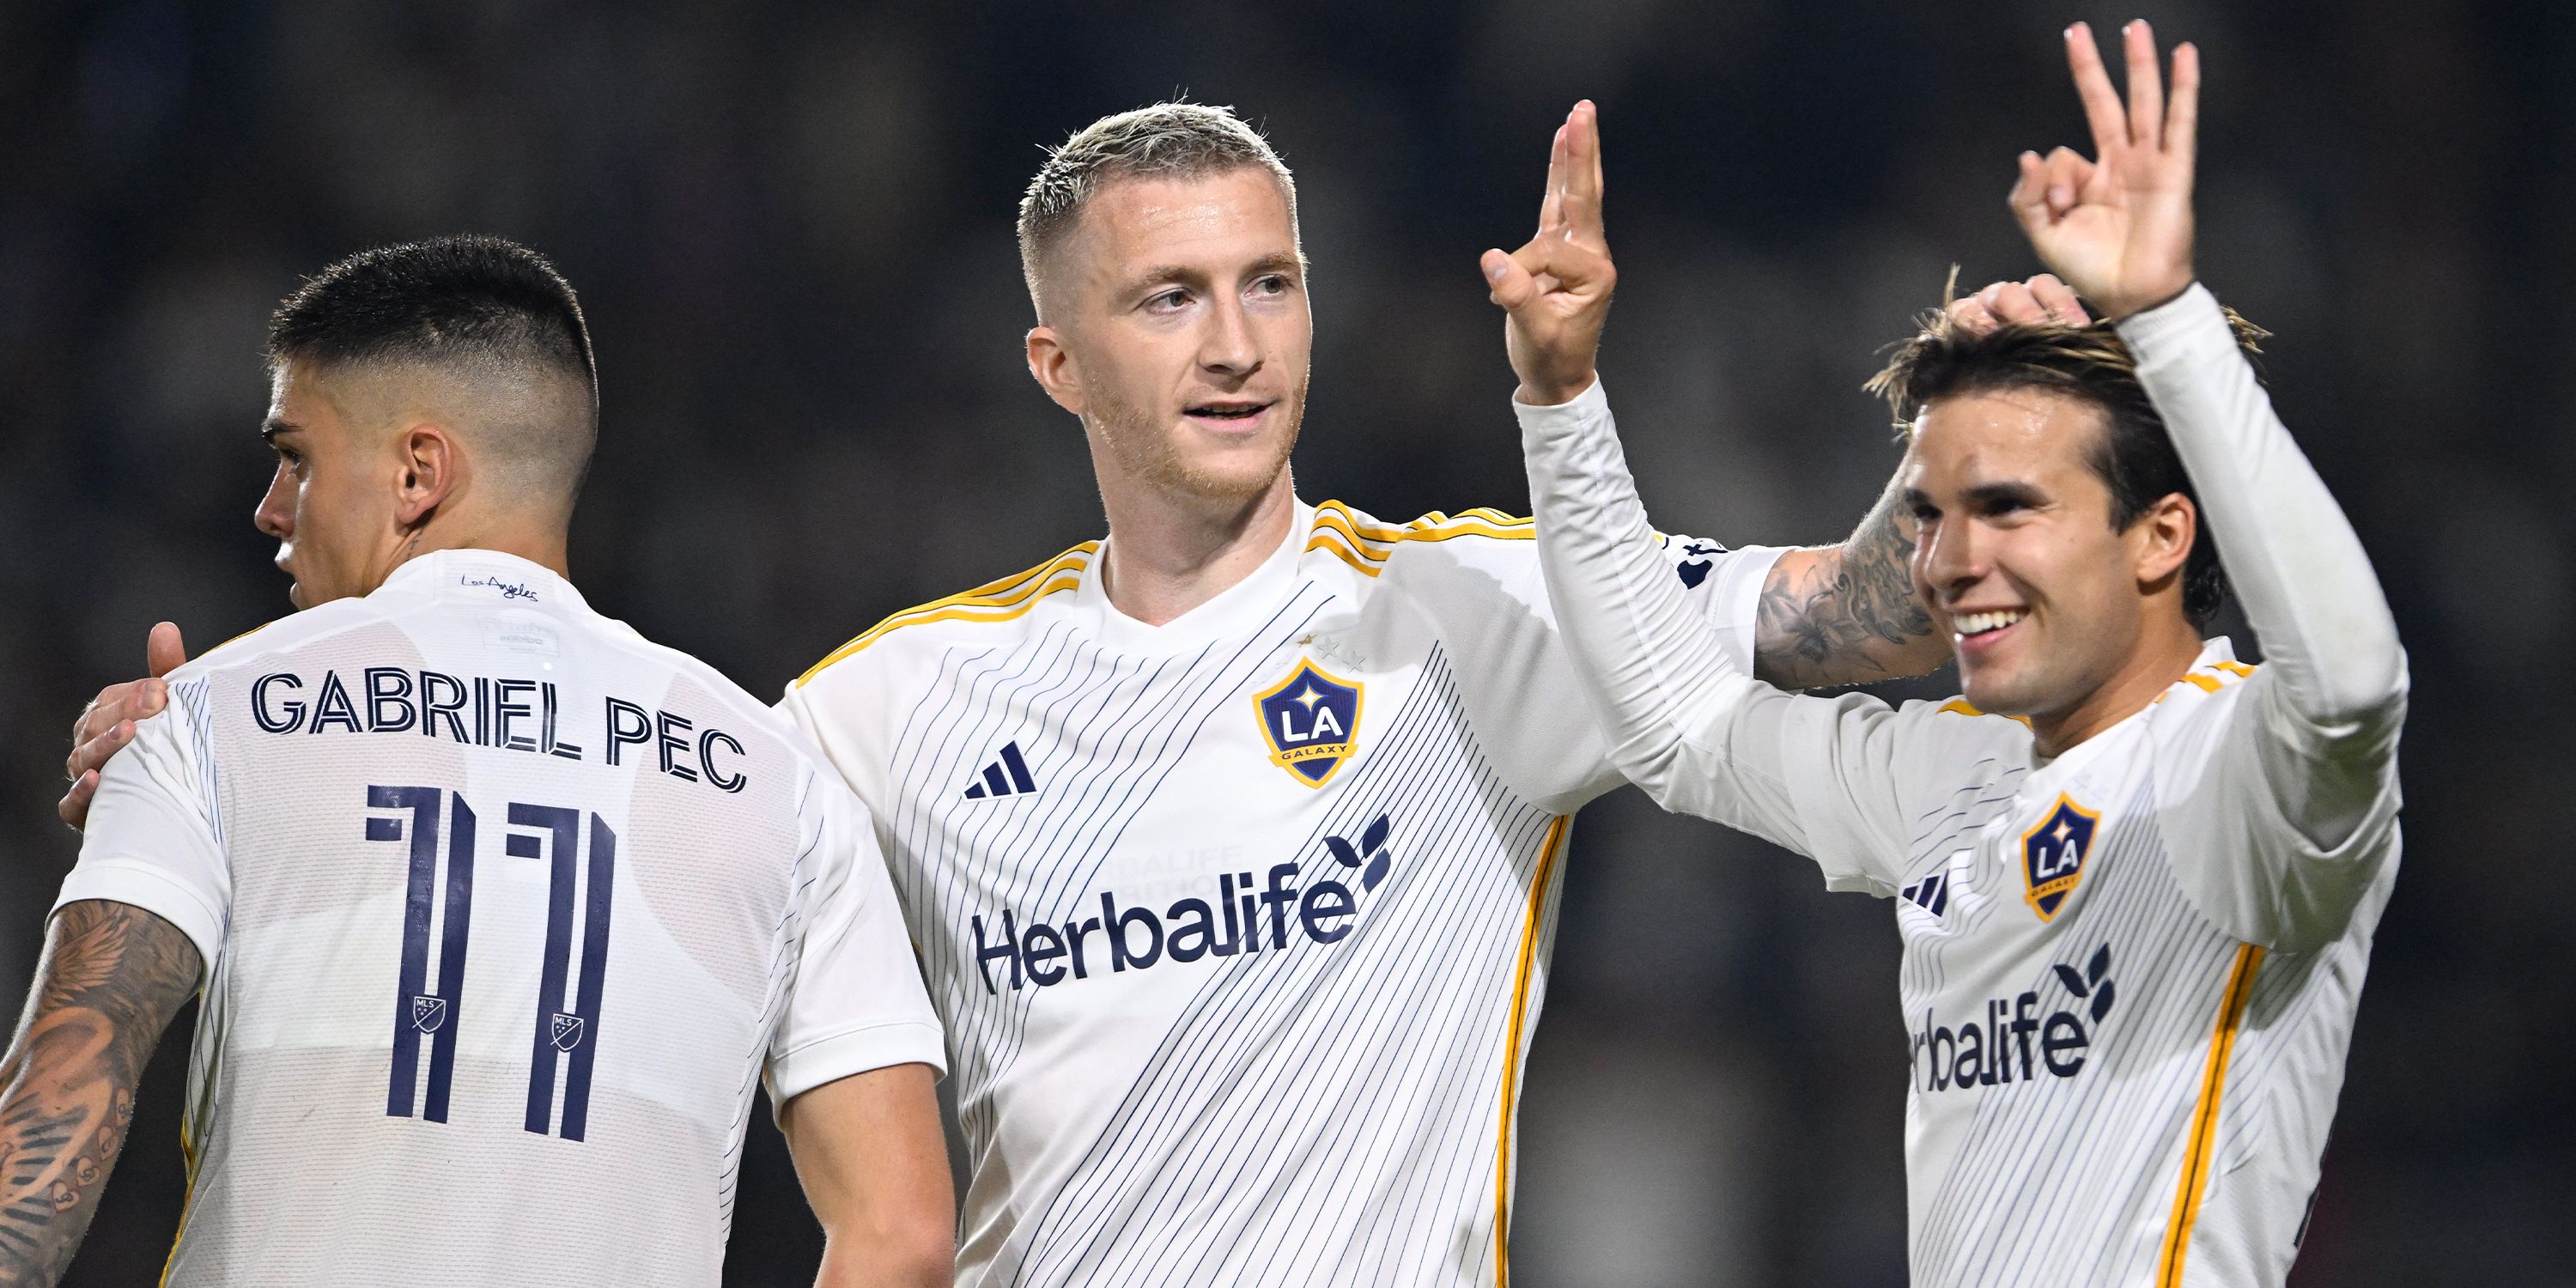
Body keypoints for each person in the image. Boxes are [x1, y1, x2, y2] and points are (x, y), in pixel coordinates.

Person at [59, 110, 2067, 1286]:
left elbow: (1846, 621)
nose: (1233, 344)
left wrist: (1976, 457)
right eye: (1165, 297)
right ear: (1054, 365)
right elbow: (565, 818)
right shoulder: (880, 711)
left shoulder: (1464, 617)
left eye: (1268, 285)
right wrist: (236, 765)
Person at [1514, 21, 2403, 1286]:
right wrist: (1560, 403)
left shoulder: (2248, 782)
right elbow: (1677, 727)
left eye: (2010, 509)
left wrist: (2166, 318)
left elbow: (2356, 684)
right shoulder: (1956, 781)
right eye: (1935, 513)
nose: (1944, 563)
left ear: (2158, 538)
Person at [3, 237, 954, 1287]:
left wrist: (162, 784)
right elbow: (902, 1236)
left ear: (417, 473)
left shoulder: (204, 714)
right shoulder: (785, 782)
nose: (272, 509)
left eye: (297, 457)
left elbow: (61, 1093)